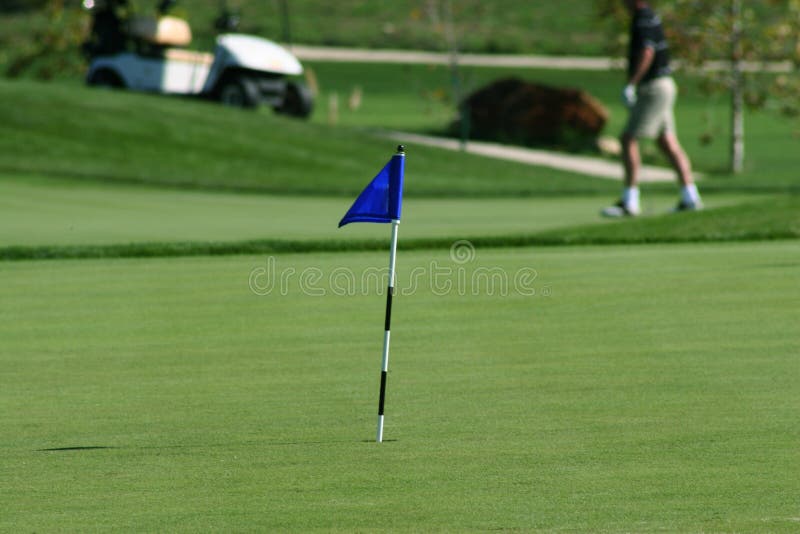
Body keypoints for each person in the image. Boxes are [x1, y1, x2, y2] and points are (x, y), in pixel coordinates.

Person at [602, 0, 702, 217]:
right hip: (665, 85)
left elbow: (647, 51)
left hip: (653, 87)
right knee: (667, 142)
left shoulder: (643, 18)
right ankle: (690, 197)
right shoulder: (650, 16)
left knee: (628, 138)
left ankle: (630, 201)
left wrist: (632, 83)